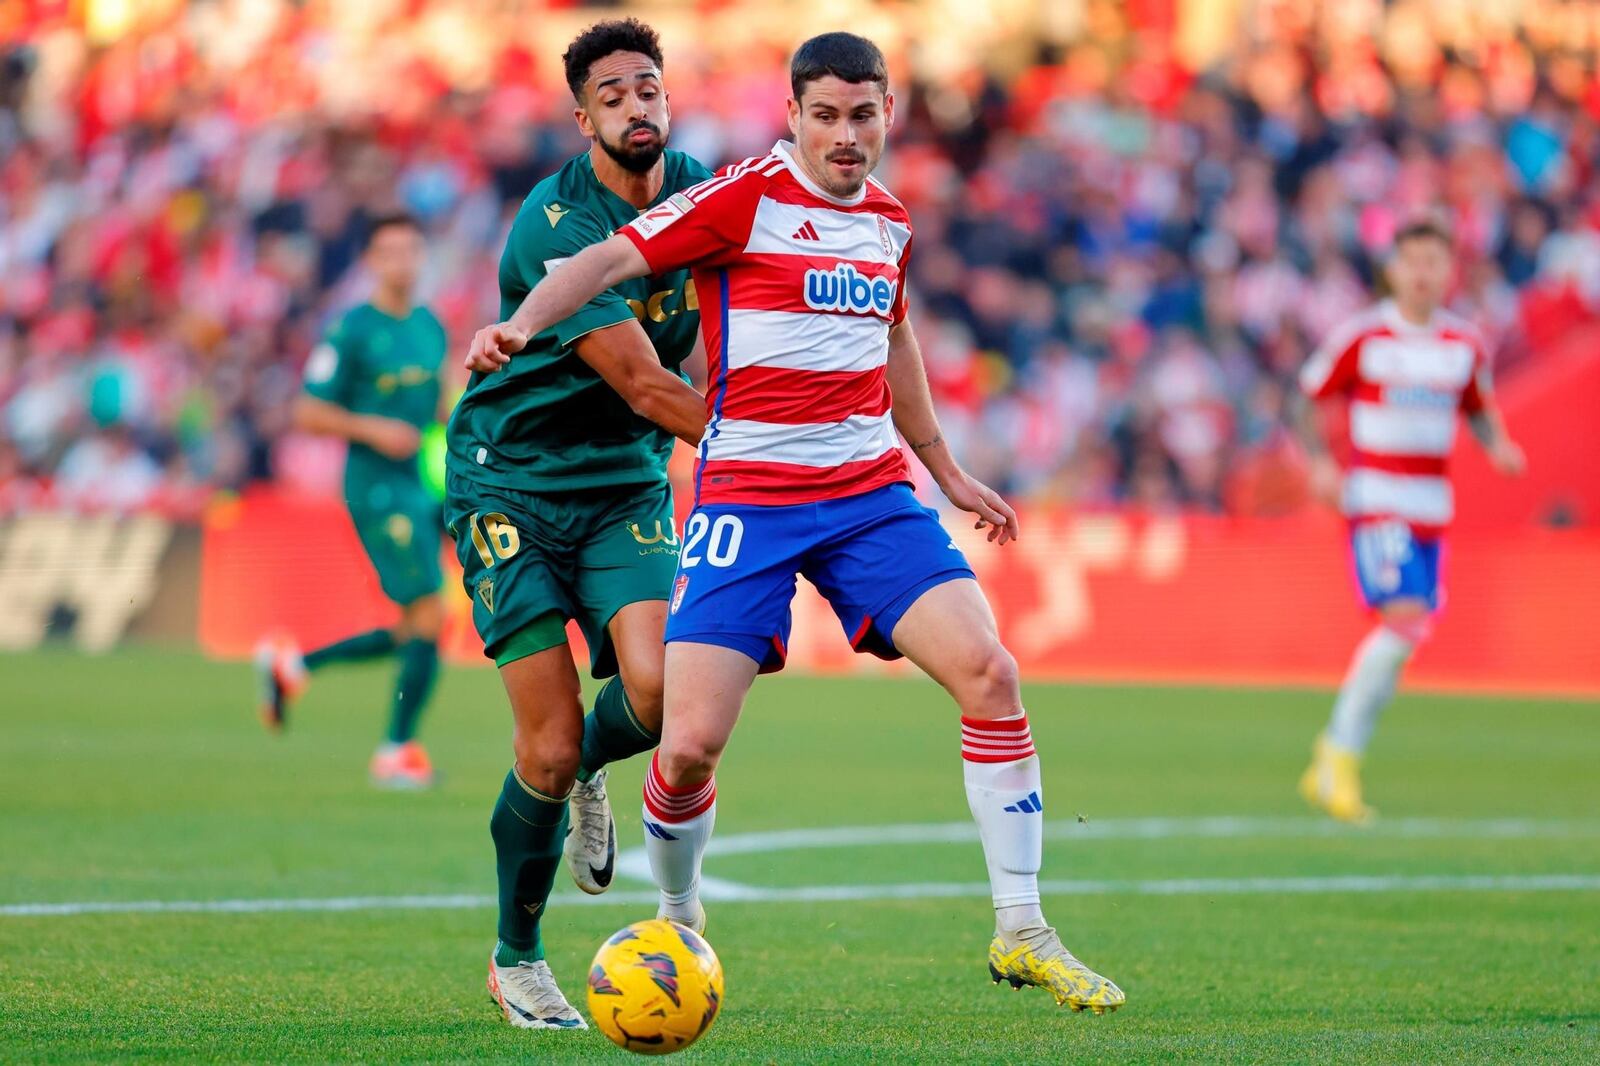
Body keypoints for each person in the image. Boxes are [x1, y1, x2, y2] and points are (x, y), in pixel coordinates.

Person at [467, 31, 1126, 1015]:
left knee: (990, 672)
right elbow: (606, 258)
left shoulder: (891, 225)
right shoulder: (741, 198)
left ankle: (1023, 928)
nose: (845, 136)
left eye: (863, 115)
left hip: (867, 498)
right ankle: (679, 922)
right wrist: (519, 324)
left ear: (887, 115)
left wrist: (942, 466)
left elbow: (894, 334)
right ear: (793, 116)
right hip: (748, 502)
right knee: (684, 744)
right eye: (824, 115)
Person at [447, 20, 712, 1031]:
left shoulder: (707, 193)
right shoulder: (552, 222)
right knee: (546, 747)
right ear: (583, 118)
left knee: (657, 694)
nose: (637, 106)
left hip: (622, 488)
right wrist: (771, 444)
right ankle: (516, 958)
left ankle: (593, 770)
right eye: (613, 94)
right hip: (507, 482)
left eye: (650, 88)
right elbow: (647, 383)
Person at [1295, 218, 1526, 823]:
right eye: (1413, 261)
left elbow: (1478, 407)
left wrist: (1497, 444)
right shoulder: (1365, 335)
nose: (1423, 273)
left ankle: (1337, 758)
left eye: (1434, 262)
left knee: (1408, 634)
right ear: (1393, 269)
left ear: (1449, 271)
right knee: (1402, 621)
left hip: (1432, 508)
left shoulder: (1464, 344)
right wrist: (1320, 461)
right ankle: (1336, 756)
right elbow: (1310, 393)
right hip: (1378, 499)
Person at [257, 213, 449, 790]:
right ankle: (396, 749)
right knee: (430, 615)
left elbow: (437, 406)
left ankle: (294, 666)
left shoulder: (429, 326)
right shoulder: (351, 331)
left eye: (412, 250)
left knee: (417, 623)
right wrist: (373, 429)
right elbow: (307, 411)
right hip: (374, 485)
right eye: (390, 251)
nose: (403, 261)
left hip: (420, 483)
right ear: (371, 261)